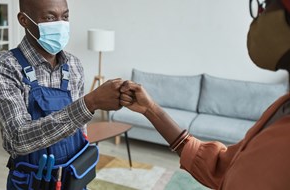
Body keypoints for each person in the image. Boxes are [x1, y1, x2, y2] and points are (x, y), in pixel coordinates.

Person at [119, 0, 290, 189]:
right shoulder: (281, 107)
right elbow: (221, 167)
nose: (260, 13)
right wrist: (150, 109)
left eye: (268, 3)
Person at [0, 0, 123, 189]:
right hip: (32, 183)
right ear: (24, 20)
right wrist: (89, 103)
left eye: (65, 16)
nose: (60, 24)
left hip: (73, 179)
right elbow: (19, 139)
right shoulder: (4, 67)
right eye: (50, 18)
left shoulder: (74, 65)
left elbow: (80, 130)